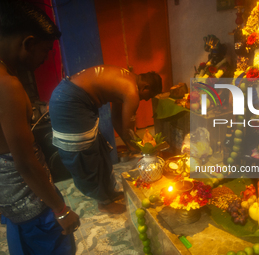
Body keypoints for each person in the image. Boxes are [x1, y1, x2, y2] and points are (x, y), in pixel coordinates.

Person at [0, 1, 80, 254]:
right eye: (46, 50)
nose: (47, 58)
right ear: (28, 43)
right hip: (32, 204)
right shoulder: (7, 85)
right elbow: (24, 163)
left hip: (12, 204)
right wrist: (62, 210)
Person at [49, 65, 162, 214]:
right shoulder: (132, 92)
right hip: (69, 102)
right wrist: (141, 147)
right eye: (147, 97)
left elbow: (116, 119)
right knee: (86, 154)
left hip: (71, 97)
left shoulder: (127, 79)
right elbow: (128, 128)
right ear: (145, 87)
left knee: (99, 148)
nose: (145, 100)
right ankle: (103, 203)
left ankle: (108, 194)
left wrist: (131, 145)